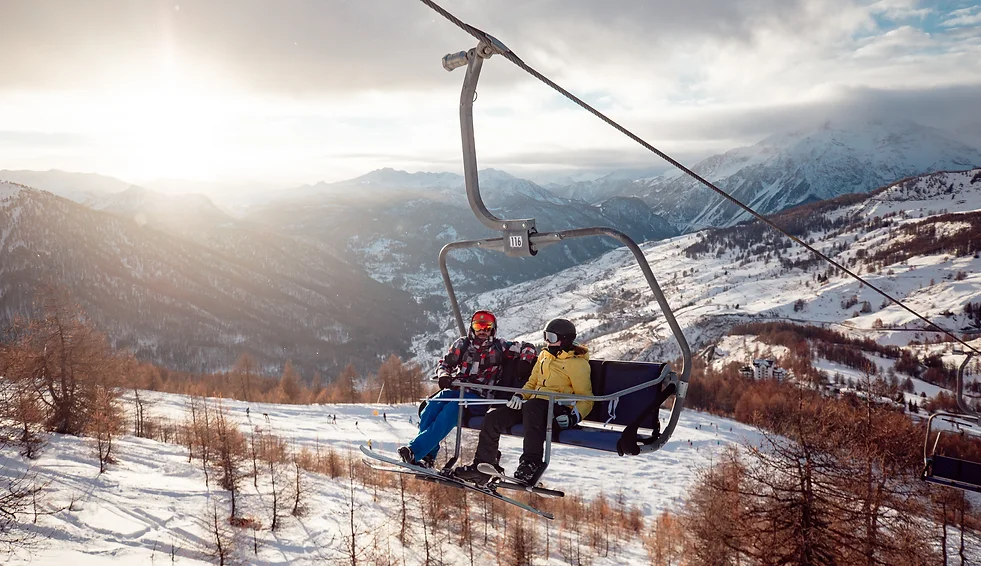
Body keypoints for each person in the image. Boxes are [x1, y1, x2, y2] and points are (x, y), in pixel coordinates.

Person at [455, 318, 592, 485]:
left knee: (533, 407)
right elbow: (531, 384)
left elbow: (586, 397)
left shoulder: (577, 365)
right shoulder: (544, 356)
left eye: (552, 337)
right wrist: (520, 396)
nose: (547, 341)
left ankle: (530, 464)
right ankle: (482, 466)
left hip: (556, 409)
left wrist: (573, 417)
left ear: (565, 339)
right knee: (493, 418)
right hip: (532, 406)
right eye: (546, 336)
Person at [398, 310, 537, 468]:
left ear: (493, 328)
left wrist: (525, 361)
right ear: (472, 327)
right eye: (478, 327)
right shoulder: (462, 344)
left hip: (481, 397)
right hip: (457, 390)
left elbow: (528, 347)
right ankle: (428, 456)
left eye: (487, 327)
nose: (482, 331)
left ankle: (415, 451)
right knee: (431, 407)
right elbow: (444, 364)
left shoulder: (500, 346)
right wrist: (444, 375)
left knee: (452, 409)